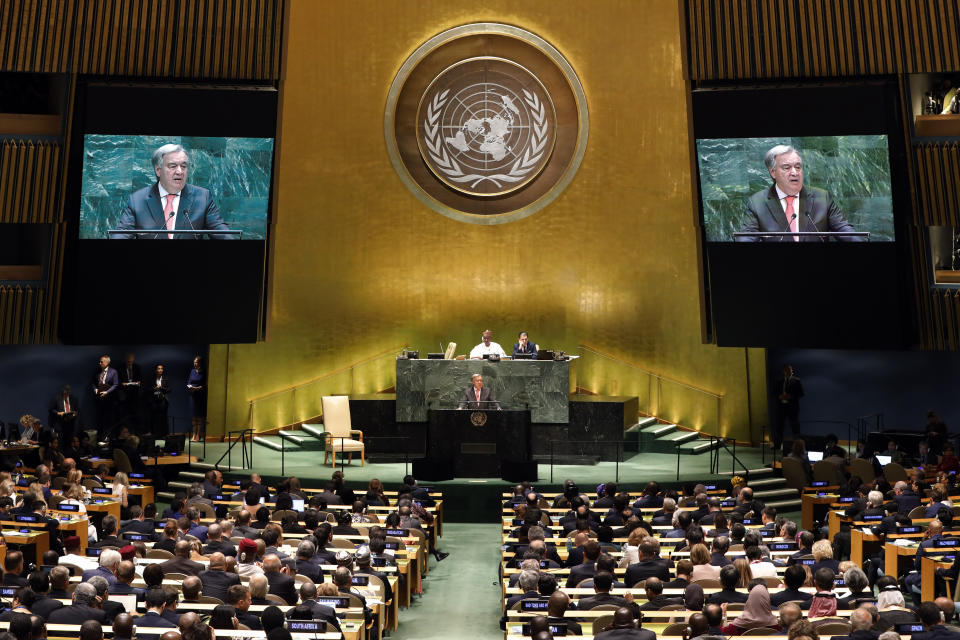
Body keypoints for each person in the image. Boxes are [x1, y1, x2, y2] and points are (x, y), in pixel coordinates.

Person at [738, 144, 862, 242]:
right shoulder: (757, 202)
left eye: (798, 167)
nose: (795, 172)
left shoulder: (822, 198)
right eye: (787, 167)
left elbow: (846, 232)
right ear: (773, 172)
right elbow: (746, 237)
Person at [114, 144, 235, 240]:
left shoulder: (203, 197)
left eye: (183, 166)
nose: (180, 171)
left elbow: (222, 234)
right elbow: (121, 234)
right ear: (158, 170)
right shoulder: (138, 200)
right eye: (173, 166)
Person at [772, 365, 804, 451]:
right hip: (781, 408)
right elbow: (774, 392)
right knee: (779, 427)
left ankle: (798, 447)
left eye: (790, 370)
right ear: (784, 372)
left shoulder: (797, 381)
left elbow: (801, 394)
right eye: (786, 371)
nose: (788, 372)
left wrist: (790, 396)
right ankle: (777, 446)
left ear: (792, 371)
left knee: (795, 427)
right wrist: (779, 396)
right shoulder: (779, 381)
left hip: (792, 408)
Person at [92, 355, 119, 439]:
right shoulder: (97, 371)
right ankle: (100, 438)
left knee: (108, 420)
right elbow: (93, 383)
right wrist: (95, 389)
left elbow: (115, 384)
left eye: (101, 362)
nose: (99, 363)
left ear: (107, 363)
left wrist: (107, 392)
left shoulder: (113, 372)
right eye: (99, 361)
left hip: (109, 400)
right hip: (99, 399)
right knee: (99, 420)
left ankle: (108, 437)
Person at [187, 356, 207, 442]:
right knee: (194, 416)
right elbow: (189, 382)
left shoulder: (204, 372)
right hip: (192, 396)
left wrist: (197, 388)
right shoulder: (192, 371)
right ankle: (193, 434)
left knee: (200, 416)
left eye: (197, 362)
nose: (195, 364)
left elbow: (205, 385)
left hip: (200, 396)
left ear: (200, 363)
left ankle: (198, 435)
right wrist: (189, 387)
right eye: (194, 362)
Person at [148, 364, 171, 439]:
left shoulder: (166, 378)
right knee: (153, 417)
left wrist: (161, 387)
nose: (160, 370)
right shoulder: (151, 378)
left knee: (163, 417)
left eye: (161, 369)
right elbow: (147, 389)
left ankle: (164, 434)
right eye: (158, 368)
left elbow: (169, 389)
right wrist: (154, 388)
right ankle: (154, 434)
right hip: (154, 400)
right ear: (156, 370)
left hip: (163, 400)